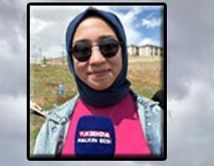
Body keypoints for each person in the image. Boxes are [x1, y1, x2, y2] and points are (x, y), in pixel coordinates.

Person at [32, 7, 163, 158]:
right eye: (82, 50)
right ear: (71, 59)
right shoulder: (53, 124)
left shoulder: (157, 118)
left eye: (108, 46)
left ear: (123, 52)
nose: (96, 60)